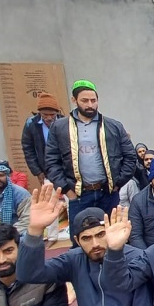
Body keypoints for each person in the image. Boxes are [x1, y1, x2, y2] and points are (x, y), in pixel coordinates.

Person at [17, 185, 152, 306]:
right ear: (77, 240)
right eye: (87, 238)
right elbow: (29, 274)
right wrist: (35, 230)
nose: (95, 244)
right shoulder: (74, 260)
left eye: (100, 235)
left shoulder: (136, 259)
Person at [45, 79, 137, 244]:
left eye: (93, 100)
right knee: (80, 242)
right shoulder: (60, 127)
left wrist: (117, 184)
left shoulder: (113, 126)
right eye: (85, 101)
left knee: (113, 239)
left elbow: (130, 156)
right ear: (74, 100)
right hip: (79, 195)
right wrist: (68, 191)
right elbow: (51, 161)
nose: (90, 105)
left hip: (108, 193)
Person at [21, 93, 62, 185]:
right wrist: (37, 171)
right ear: (39, 112)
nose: (49, 118)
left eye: (52, 114)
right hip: (44, 169)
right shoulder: (31, 124)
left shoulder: (65, 123)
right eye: (45, 115)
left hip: (63, 169)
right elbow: (28, 149)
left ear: (58, 112)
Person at [0, 161, 32, 234]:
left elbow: (26, 220)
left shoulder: (21, 194)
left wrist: (7, 234)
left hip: (18, 233)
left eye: (1, 175)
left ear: (7, 177)